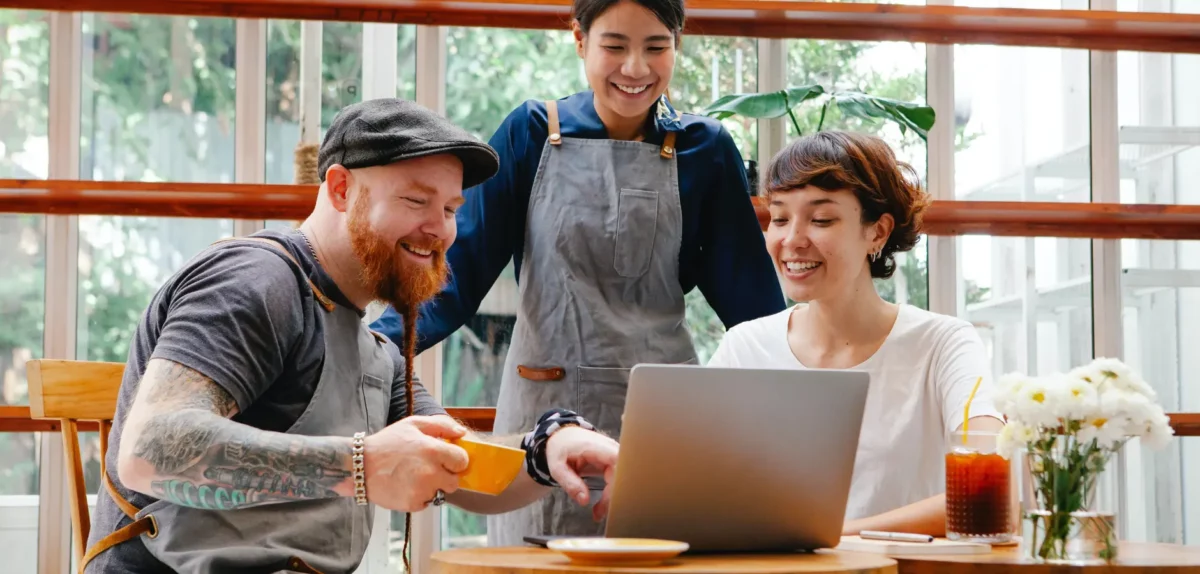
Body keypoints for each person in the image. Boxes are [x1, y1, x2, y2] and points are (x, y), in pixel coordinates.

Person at [83, 98, 620, 574]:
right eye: (416, 201)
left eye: (452, 209)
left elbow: (460, 464)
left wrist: (546, 449)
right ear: (341, 189)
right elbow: (149, 451)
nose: (441, 229)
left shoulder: (373, 350)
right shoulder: (254, 282)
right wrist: (364, 466)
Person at [371, 0, 785, 546]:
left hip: (663, 418)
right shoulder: (531, 132)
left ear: (677, 46)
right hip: (543, 418)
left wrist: (804, 409)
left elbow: (752, 307)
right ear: (580, 41)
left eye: (656, 47)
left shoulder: (705, 149)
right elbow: (456, 278)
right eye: (615, 45)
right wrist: (365, 351)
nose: (635, 68)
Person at [707, 131, 1004, 537]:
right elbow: (699, 490)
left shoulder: (943, 344)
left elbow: (994, 492)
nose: (791, 240)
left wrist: (832, 537)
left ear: (877, 232)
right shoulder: (744, 347)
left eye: (821, 219)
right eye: (778, 218)